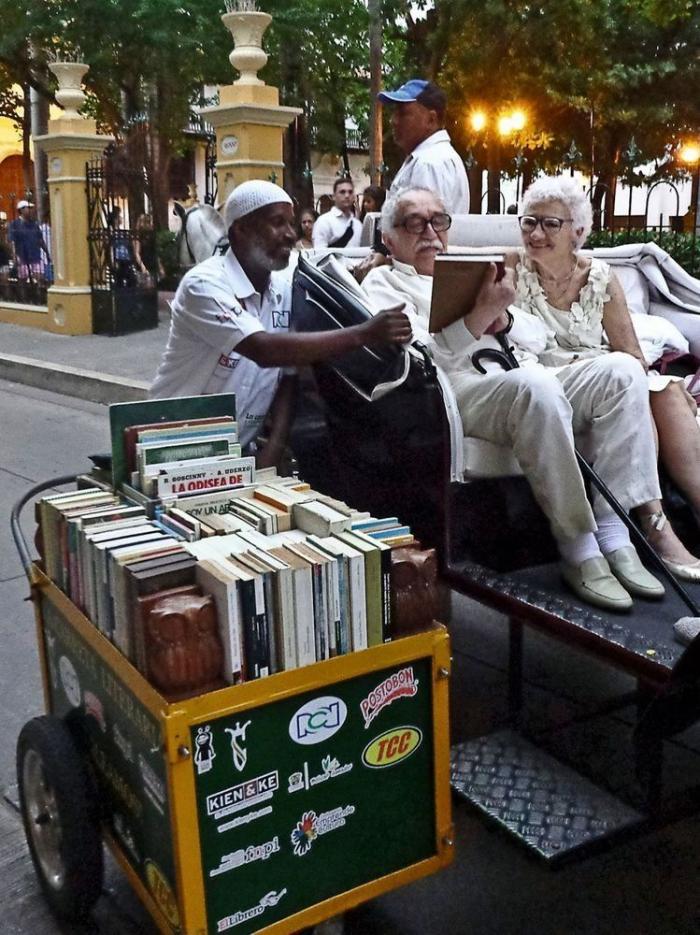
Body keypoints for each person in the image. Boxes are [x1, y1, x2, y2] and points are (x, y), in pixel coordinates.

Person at [363, 186, 700, 610]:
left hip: (521, 369)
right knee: (535, 387)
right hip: (456, 391)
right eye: (414, 223)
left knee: (624, 371)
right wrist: (479, 317)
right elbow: (424, 354)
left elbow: (535, 336)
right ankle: (578, 549)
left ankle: (615, 535)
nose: (430, 232)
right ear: (390, 239)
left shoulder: (469, 268)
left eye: (439, 221)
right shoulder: (383, 281)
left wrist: (501, 316)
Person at [505, 175, 700, 580]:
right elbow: (448, 263)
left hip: (606, 375)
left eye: (550, 224)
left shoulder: (600, 278)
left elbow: (629, 350)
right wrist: (383, 257)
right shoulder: (510, 268)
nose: (536, 233)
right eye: (529, 221)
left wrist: (647, 382)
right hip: (547, 382)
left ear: (577, 231)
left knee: (661, 390)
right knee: (634, 380)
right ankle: (654, 521)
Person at [151, 180, 411, 469]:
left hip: (236, 456)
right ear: (240, 230)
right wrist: (365, 333)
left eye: (291, 223)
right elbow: (266, 350)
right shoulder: (203, 284)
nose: (290, 234)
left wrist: (272, 451)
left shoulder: (284, 285)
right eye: (277, 223)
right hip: (172, 447)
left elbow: (288, 371)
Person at [378, 80, 469, 215]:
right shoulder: (434, 158)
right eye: (395, 112)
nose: (394, 120)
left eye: (403, 113)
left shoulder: (429, 163)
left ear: (431, 120)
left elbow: (422, 229)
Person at [312, 178, 363, 248]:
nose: (347, 196)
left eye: (350, 192)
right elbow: (320, 253)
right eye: (342, 192)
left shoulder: (358, 225)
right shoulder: (323, 221)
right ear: (334, 196)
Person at [8, 200, 50, 282]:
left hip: (35, 257)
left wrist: (47, 253)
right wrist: (15, 256)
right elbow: (12, 241)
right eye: (29, 208)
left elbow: (40, 240)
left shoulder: (34, 224)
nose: (31, 210)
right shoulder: (14, 224)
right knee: (23, 281)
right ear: (21, 210)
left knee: (40, 278)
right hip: (22, 257)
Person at [107, 206, 136, 288]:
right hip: (118, 260)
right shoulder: (111, 233)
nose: (121, 218)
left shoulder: (122, 232)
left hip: (126, 259)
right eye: (119, 216)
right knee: (119, 282)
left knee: (131, 280)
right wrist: (113, 261)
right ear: (115, 219)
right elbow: (111, 247)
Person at [133, 213, 164, 284]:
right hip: (143, 265)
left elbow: (155, 252)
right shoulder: (138, 236)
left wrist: (160, 267)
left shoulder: (152, 235)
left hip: (153, 265)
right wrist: (142, 267)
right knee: (145, 288)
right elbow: (137, 253)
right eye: (149, 222)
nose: (151, 224)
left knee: (153, 288)